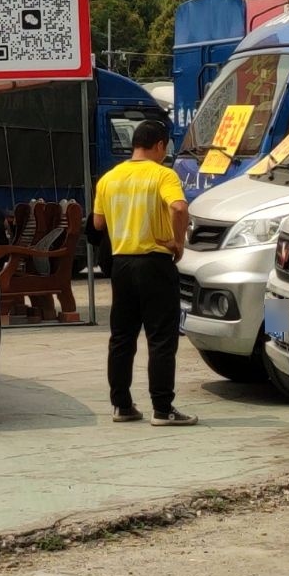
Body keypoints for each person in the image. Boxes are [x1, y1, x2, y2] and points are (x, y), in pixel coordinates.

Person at [93, 119, 197, 428]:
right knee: (161, 338)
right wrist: (178, 243)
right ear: (160, 145)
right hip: (155, 261)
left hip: (122, 264)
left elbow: (98, 223)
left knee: (122, 338)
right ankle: (162, 409)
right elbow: (179, 208)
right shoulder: (163, 174)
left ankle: (122, 405)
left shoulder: (109, 179)